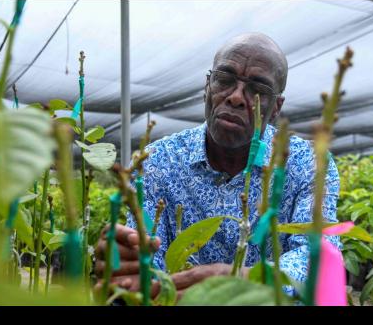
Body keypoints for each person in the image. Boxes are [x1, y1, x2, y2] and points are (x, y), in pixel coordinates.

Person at [94, 32, 341, 299]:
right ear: (207, 87)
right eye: (224, 80)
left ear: (276, 107)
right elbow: (151, 266)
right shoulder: (156, 160)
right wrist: (130, 268)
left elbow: (319, 256)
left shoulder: (307, 163)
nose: (236, 97)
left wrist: (242, 281)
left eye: (258, 90)